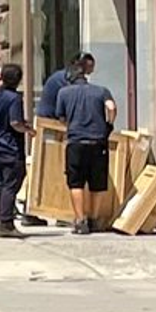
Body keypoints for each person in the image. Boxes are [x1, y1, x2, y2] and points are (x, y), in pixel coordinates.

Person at [52, 53, 121, 233]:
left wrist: (71, 125)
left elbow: (61, 117)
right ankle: (94, 219)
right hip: (98, 142)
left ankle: (80, 219)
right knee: (97, 182)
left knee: (76, 182)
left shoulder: (63, 92)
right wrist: (109, 124)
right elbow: (112, 107)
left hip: (76, 142)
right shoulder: (101, 91)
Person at [0, 64, 29, 239]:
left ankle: (0, 221)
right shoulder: (14, 98)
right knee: (11, 184)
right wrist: (28, 130)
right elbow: (15, 122)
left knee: (2, 184)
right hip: (11, 147)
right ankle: (6, 222)